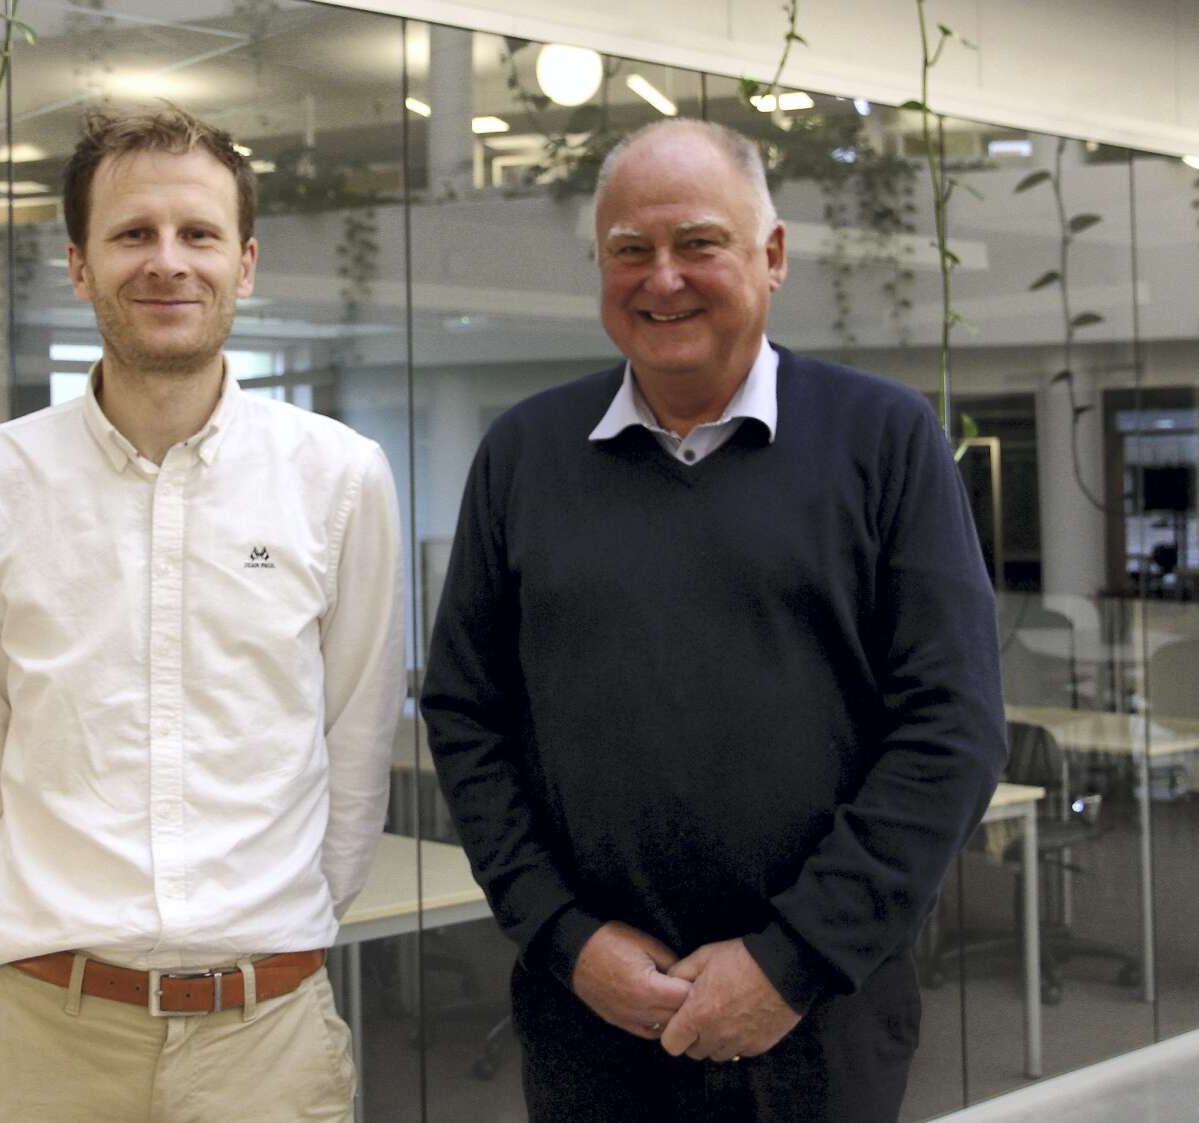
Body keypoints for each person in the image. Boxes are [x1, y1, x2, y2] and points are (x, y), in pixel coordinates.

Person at [420, 118, 1006, 1121]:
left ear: (771, 255)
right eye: (630, 250)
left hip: (817, 1017)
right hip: (589, 1015)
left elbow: (952, 729)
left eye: (698, 243)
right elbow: (468, 714)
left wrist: (791, 959)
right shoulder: (523, 453)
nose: (663, 279)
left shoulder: (885, 439)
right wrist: (562, 935)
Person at [0, 108, 405, 1122]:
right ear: (79, 265)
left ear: (245, 262)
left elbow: (356, 742)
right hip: (47, 1035)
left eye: (199, 234)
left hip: (266, 1041)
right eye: (133, 233)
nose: (168, 261)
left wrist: (263, 932)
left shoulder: (339, 478)